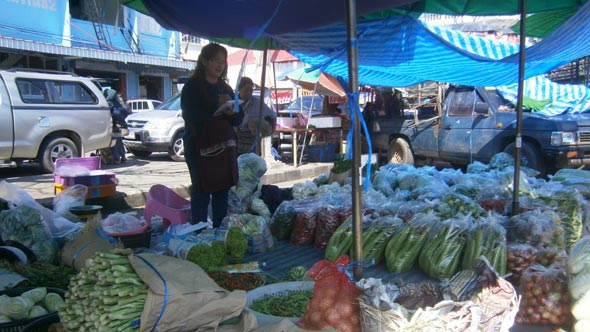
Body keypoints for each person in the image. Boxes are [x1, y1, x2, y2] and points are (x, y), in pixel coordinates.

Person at [181, 43, 244, 227]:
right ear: (204, 61)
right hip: (198, 148)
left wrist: (232, 113)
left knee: (222, 190)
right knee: (201, 190)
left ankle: (219, 231)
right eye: (215, 60)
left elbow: (238, 119)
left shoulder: (226, 88)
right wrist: (215, 105)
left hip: (224, 148)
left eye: (223, 62)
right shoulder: (192, 87)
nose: (219, 65)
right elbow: (190, 115)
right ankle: (199, 232)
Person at [236, 77, 277, 155]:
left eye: (250, 90)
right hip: (235, 142)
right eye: (246, 90)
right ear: (239, 89)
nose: (249, 93)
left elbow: (273, 115)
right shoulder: (233, 102)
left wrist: (269, 131)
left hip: (252, 143)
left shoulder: (257, 103)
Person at [104, 88, 131, 164]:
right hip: (114, 122)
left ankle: (118, 158)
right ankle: (120, 157)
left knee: (115, 141)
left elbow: (112, 94)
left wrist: (104, 101)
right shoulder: (112, 105)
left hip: (117, 118)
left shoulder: (110, 92)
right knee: (116, 140)